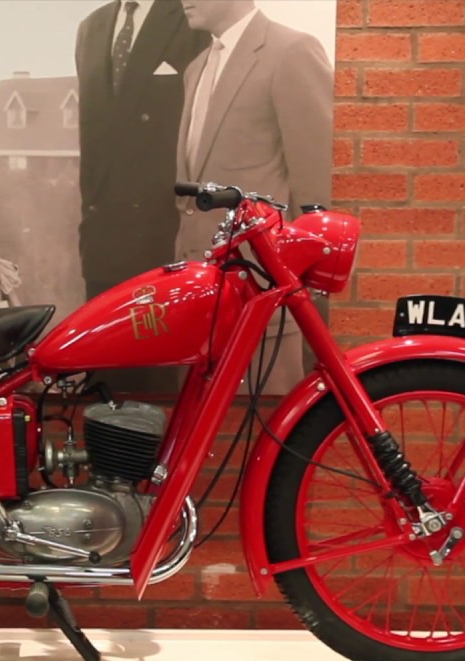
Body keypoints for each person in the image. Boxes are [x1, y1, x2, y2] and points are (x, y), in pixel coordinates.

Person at [174, 0, 333, 392]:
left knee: (269, 441)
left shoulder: (291, 52)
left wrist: (296, 284)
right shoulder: (196, 68)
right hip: (198, 304)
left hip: (261, 299)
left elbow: (316, 181)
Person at [75, 0, 208, 392]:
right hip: (100, 238)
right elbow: (93, 137)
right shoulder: (91, 28)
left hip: (159, 233)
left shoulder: (190, 19)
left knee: (153, 384)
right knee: (104, 377)